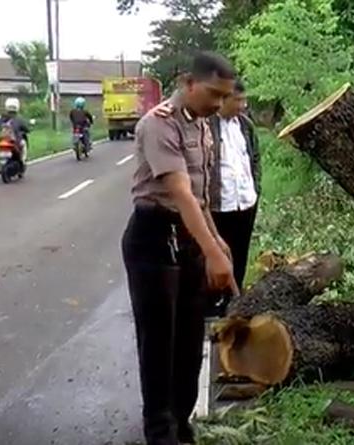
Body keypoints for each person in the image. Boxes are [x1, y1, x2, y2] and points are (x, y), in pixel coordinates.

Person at [121, 51, 237, 445]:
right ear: (188, 83)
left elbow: (200, 199)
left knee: (189, 340)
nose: (219, 103)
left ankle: (182, 423)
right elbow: (181, 193)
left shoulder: (201, 125)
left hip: (188, 238)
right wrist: (214, 254)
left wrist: (216, 241)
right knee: (159, 344)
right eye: (214, 93)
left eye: (225, 96)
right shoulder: (159, 124)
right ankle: (160, 433)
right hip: (153, 238)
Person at [207, 80, 260, 290]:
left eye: (244, 100)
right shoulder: (206, 125)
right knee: (218, 257)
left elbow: (254, 159)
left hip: (246, 202)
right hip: (219, 206)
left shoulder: (246, 126)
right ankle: (216, 299)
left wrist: (256, 189)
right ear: (223, 99)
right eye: (238, 100)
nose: (243, 105)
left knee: (240, 255)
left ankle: (236, 299)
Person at [0, 97, 31, 172]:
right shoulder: (19, 118)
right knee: (24, 145)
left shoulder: (2, 118)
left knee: (0, 149)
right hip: (15, 141)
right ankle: (23, 161)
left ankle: (1, 163)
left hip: (3, 140)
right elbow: (26, 128)